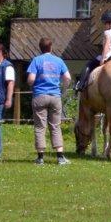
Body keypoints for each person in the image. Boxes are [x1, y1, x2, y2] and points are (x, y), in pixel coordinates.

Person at [26, 37, 71, 166]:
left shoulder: (36, 60)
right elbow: (67, 78)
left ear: (40, 48)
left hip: (40, 95)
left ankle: (40, 158)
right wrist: (63, 89)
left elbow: (31, 79)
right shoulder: (59, 61)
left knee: (40, 126)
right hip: (55, 96)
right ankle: (60, 157)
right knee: (55, 126)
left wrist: (32, 85)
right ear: (51, 47)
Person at [74, 10, 111, 93]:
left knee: (89, 64)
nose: (104, 25)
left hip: (110, 55)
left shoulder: (107, 32)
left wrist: (103, 59)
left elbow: (107, 46)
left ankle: (80, 84)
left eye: (105, 23)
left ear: (110, 23)